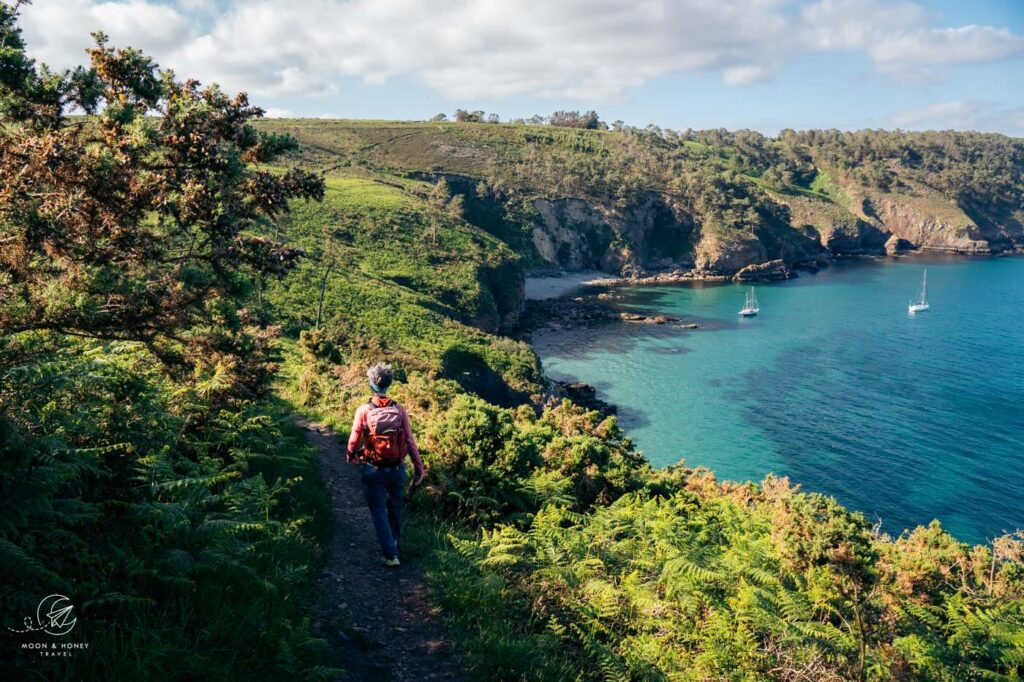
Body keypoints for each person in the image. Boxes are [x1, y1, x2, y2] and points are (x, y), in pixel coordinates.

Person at [346, 363, 425, 567]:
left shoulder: (364, 410)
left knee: (379, 511)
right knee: (395, 507)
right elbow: (410, 441)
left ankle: (391, 554)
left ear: (371, 385)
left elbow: (355, 437)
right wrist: (419, 468)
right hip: (398, 469)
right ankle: (394, 543)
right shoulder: (399, 410)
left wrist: (350, 455)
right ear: (388, 384)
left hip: (374, 468)